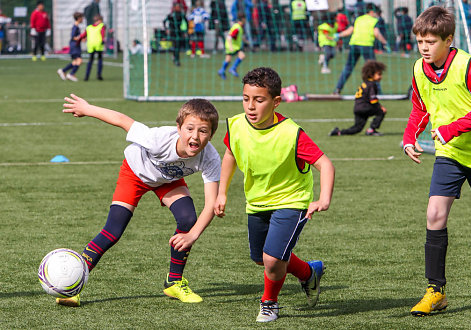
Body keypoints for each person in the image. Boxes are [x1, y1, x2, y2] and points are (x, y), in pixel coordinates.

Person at [57, 94, 221, 307]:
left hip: (167, 178)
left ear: (212, 134)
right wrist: (88, 108)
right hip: (135, 173)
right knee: (113, 231)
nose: (195, 136)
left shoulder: (210, 157)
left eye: (203, 131)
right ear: (178, 128)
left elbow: (211, 204)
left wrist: (192, 235)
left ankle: (174, 281)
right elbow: (123, 120)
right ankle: (73, 287)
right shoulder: (158, 139)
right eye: (189, 129)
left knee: (188, 218)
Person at [214, 67, 335, 322]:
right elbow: (230, 154)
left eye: (259, 100)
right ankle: (308, 273)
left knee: (272, 260)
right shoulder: (236, 125)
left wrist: (323, 198)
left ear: (276, 101)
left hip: (292, 200)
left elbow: (325, 163)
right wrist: (221, 193)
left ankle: (269, 303)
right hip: (257, 202)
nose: (250, 106)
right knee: (262, 259)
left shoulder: (292, 133)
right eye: (246, 99)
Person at [402, 6, 471, 317]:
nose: (424, 48)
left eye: (430, 42)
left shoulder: (467, 66)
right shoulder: (420, 69)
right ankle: (436, 291)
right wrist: (409, 137)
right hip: (449, 154)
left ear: (449, 40)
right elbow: (420, 108)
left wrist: (451, 128)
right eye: (420, 41)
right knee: (434, 214)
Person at [333, 3, 389, 95]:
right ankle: (378, 92)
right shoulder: (374, 20)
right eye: (376, 12)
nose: (377, 14)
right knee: (374, 69)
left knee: (348, 67)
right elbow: (376, 33)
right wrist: (384, 42)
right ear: (371, 12)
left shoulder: (358, 19)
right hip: (366, 46)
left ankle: (337, 89)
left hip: (354, 45)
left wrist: (339, 35)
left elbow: (350, 31)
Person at [329, 60, 387, 136]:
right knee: (381, 112)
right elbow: (373, 100)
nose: (381, 76)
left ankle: (338, 132)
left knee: (357, 128)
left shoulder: (365, 83)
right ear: (371, 74)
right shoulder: (372, 84)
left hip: (357, 108)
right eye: (379, 74)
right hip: (365, 107)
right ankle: (371, 130)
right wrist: (381, 107)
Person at [217, 13, 246, 80]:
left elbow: (238, 37)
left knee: (228, 59)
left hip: (234, 45)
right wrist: (230, 46)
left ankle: (221, 71)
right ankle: (232, 68)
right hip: (232, 45)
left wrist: (246, 41)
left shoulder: (239, 27)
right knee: (241, 56)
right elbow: (229, 37)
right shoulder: (237, 28)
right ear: (243, 19)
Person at [57, 12, 84, 82]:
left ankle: (63, 71)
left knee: (75, 62)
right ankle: (71, 74)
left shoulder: (77, 26)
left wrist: (81, 38)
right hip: (74, 46)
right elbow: (73, 36)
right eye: (82, 18)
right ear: (78, 18)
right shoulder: (75, 27)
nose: (83, 19)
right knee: (80, 61)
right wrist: (80, 38)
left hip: (75, 46)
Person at [79, 14, 106, 81]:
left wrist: (79, 39)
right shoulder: (101, 26)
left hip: (90, 45)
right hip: (98, 44)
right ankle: (99, 75)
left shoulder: (89, 27)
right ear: (99, 20)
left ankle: (86, 76)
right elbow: (102, 34)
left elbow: (83, 35)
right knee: (99, 59)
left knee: (90, 61)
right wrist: (103, 40)